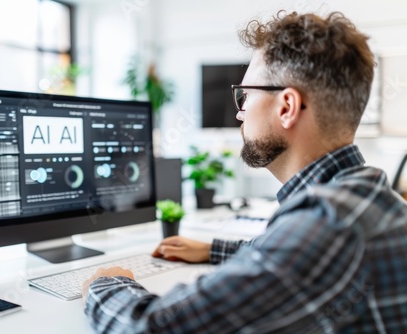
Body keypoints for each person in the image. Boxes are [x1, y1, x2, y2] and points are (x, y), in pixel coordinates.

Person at [82, 11, 407, 333]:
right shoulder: (362, 194)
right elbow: (288, 254)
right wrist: (213, 249)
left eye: (246, 95)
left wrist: (107, 284)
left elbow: (152, 328)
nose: (240, 112)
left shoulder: (331, 223)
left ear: (287, 107)